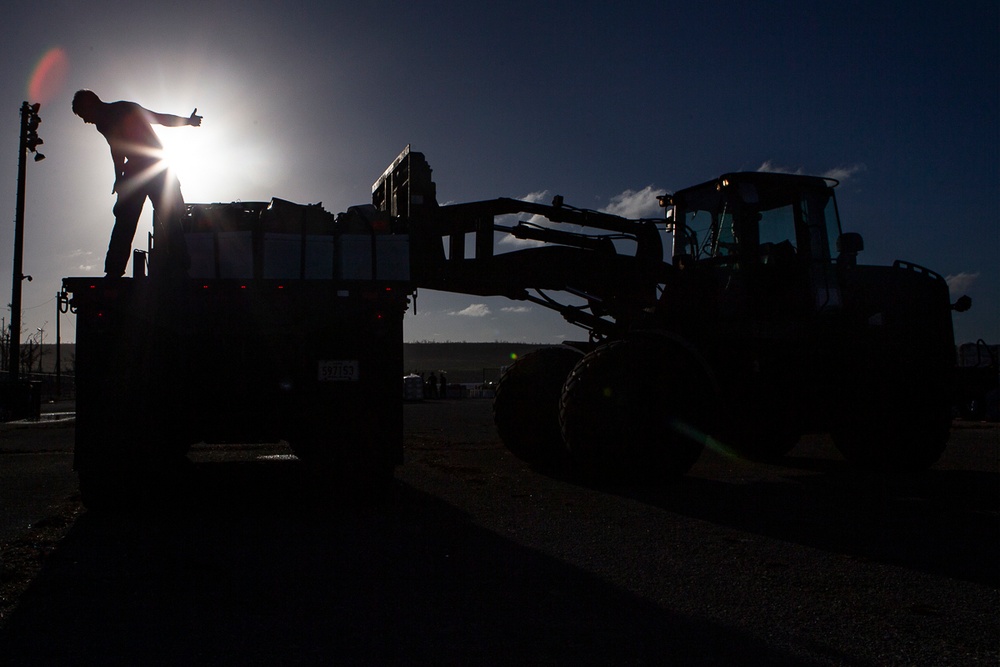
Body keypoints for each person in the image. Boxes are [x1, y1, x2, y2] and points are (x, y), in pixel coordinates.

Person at [72, 89, 202, 278]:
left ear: (91, 104)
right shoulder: (101, 124)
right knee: (127, 220)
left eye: (84, 115)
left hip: (155, 168)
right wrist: (119, 178)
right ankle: (115, 270)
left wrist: (186, 121)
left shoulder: (125, 109)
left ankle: (180, 267)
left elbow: (158, 118)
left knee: (167, 218)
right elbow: (116, 149)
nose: (85, 121)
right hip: (138, 171)